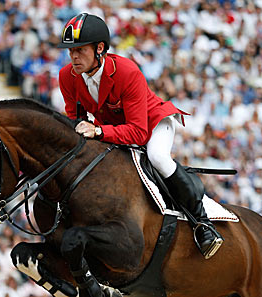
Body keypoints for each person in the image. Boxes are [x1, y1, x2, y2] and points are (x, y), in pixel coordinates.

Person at [57, 13, 223, 260]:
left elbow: (138, 131)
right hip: (114, 129)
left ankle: (202, 223)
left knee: (157, 157)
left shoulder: (126, 71)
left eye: (80, 50)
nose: (74, 57)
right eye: (71, 51)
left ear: (99, 48)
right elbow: (75, 120)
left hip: (153, 122)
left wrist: (99, 131)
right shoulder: (66, 77)